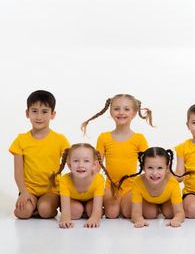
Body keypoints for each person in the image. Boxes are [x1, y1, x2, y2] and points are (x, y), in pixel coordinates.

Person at [81, 94, 152, 218]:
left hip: (130, 186)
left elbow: (149, 165)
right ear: (111, 111)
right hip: (110, 186)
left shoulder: (139, 138)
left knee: (127, 212)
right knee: (112, 214)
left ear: (134, 113)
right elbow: (97, 166)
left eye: (126, 109)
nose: (121, 112)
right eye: (117, 108)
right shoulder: (104, 137)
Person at [10, 90, 70, 219]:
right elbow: (18, 170)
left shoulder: (60, 139)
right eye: (34, 111)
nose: (39, 117)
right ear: (27, 113)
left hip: (51, 190)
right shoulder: (21, 140)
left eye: (44, 111)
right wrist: (24, 192)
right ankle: (32, 206)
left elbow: (72, 163)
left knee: (45, 210)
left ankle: (43, 206)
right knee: (23, 213)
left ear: (53, 114)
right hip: (29, 189)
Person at [118, 147, 190, 228]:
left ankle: (160, 208)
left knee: (170, 214)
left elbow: (180, 212)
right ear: (143, 167)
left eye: (160, 168)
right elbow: (136, 212)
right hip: (146, 199)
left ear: (167, 168)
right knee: (148, 214)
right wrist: (139, 219)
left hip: (165, 200)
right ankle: (156, 209)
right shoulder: (138, 182)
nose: (155, 173)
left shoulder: (173, 184)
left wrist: (176, 219)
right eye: (150, 168)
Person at [50, 143, 113, 229]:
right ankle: (83, 211)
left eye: (86, 161)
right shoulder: (64, 180)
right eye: (76, 161)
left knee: (92, 211)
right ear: (69, 165)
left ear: (94, 165)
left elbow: (97, 210)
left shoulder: (98, 179)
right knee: (75, 212)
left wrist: (94, 218)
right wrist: (65, 219)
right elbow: (65, 213)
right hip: (74, 200)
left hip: (91, 199)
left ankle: (86, 210)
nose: (80, 165)